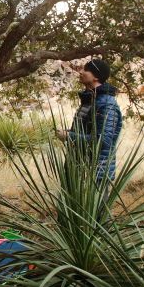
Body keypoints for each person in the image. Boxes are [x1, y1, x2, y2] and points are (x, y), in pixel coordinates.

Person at [56, 59, 123, 202]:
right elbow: (84, 131)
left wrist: (69, 136)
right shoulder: (90, 101)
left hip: (95, 172)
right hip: (78, 168)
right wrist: (68, 133)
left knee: (96, 218)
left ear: (96, 76)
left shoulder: (106, 105)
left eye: (86, 70)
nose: (81, 72)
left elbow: (103, 141)